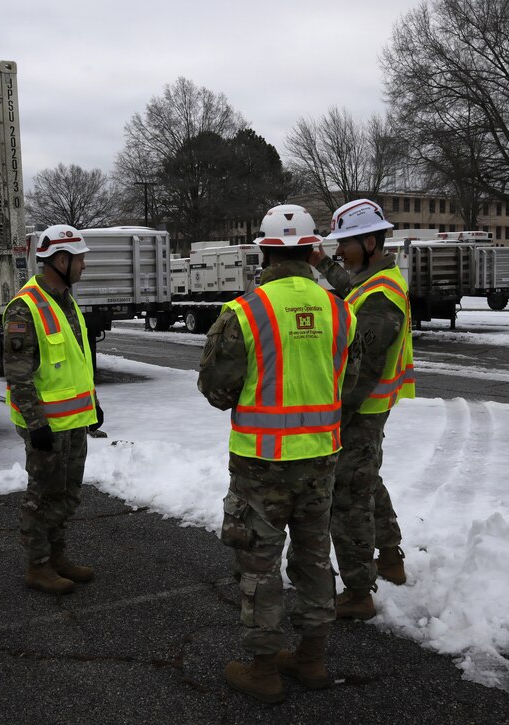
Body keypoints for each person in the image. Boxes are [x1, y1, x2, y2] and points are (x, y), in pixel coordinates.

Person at [199, 204, 362, 703]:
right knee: (314, 558)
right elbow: (349, 384)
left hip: (261, 466)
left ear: (263, 251)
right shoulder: (340, 309)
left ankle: (265, 669)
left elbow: (217, 390)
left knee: (260, 565)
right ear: (313, 249)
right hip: (321, 462)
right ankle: (311, 660)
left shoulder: (245, 312)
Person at [311, 198, 416, 620]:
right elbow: (349, 286)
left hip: (361, 410)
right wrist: (322, 263)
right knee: (366, 479)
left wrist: (334, 419)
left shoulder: (380, 297)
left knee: (349, 497)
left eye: (345, 245)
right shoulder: (373, 282)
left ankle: (358, 593)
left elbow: (363, 374)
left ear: (371, 242)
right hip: (369, 411)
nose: (340, 252)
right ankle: (390, 557)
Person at [3, 224, 103, 596]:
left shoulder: (65, 299)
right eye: (80, 260)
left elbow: (74, 361)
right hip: (46, 424)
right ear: (60, 261)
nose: (83, 267)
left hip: (74, 419)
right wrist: (35, 422)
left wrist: (94, 404)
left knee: (66, 494)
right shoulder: (25, 307)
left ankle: (57, 556)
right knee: (42, 495)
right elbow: (18, 373)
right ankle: (38, 565)